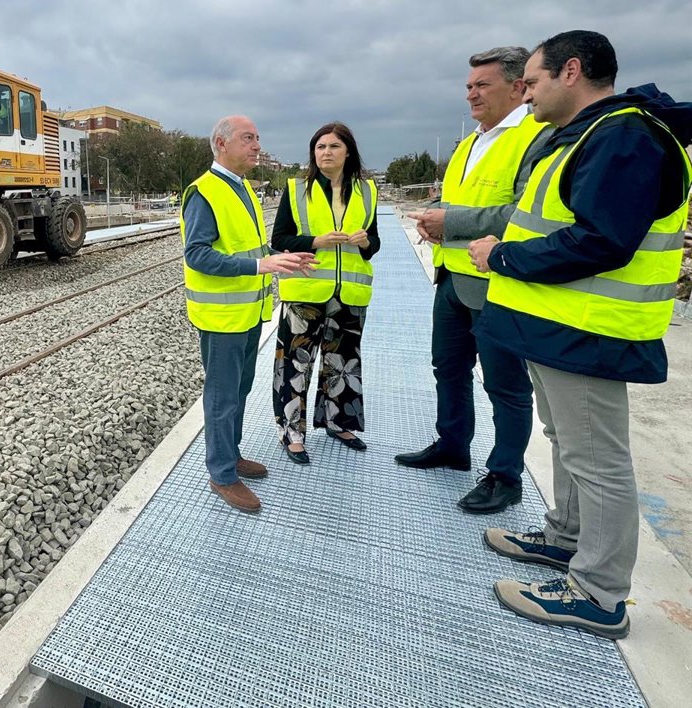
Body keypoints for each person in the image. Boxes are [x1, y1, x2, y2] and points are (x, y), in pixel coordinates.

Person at [469, 31, 691, 639]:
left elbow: (602, 241)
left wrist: (503, 256)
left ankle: (598, 590)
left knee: (598, 461)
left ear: (571, 72)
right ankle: (565, 538)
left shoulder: (623, 138)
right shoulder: (589, 135)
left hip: (589, 330)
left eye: (532, 82)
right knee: (568, 443)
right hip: (557, 326)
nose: (526, 94)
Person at [397, 47, 553, 515]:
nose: (471, 94)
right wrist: (434, 220)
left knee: (505, 385)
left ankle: (505, 476)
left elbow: (525, 213)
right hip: (452, 279)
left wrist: (451, 222)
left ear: (518, 86)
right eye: (468, 86)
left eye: (482, 85)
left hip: (497, 284)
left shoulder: (536, 136)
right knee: (448, 368)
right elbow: (456, 201)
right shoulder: (470, 143)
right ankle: (452, 445)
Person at [181, 115, 318, 513]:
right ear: (222, 144)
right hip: (222, 319)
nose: (257, 145)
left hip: (246, 314)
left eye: (257, 138)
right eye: (248, 138)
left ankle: (232, 454)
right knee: (221, 397)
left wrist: (281, 257)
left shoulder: (242, 188)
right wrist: (261, 267)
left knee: (239, 391)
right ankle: (222, 474)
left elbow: (250, 248)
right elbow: (197, 255)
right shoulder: (205, 192)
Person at [271, 122, 379, 463]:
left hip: (350, 294)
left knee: (343, 362)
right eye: (320, 147)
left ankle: (338, 422)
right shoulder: (296, 189)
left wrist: (366, 243)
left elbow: (374, 242)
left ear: (348, 152)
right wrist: (316, 241)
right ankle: (291, 432)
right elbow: (279, 240)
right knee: (295, 364)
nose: (326, 153)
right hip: (305, 293)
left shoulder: (367, 191)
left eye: (334, 146)